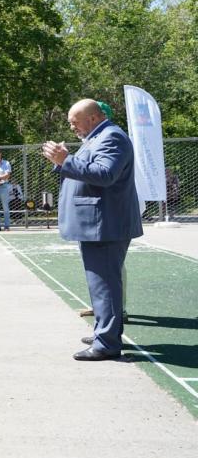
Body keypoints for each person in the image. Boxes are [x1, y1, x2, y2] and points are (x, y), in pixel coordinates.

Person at [43, 98, 143, 361]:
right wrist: (62, 161)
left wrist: (67, 160)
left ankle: (107, 343)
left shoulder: (112, 137)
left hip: (104, 225)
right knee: (100, 284)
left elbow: (105, 175)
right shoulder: (97, 137)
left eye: (75, 122)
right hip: (98, 224)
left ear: (94, 118)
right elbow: (88, 169)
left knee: (105, 285)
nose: (72, 127)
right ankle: (104, 332)